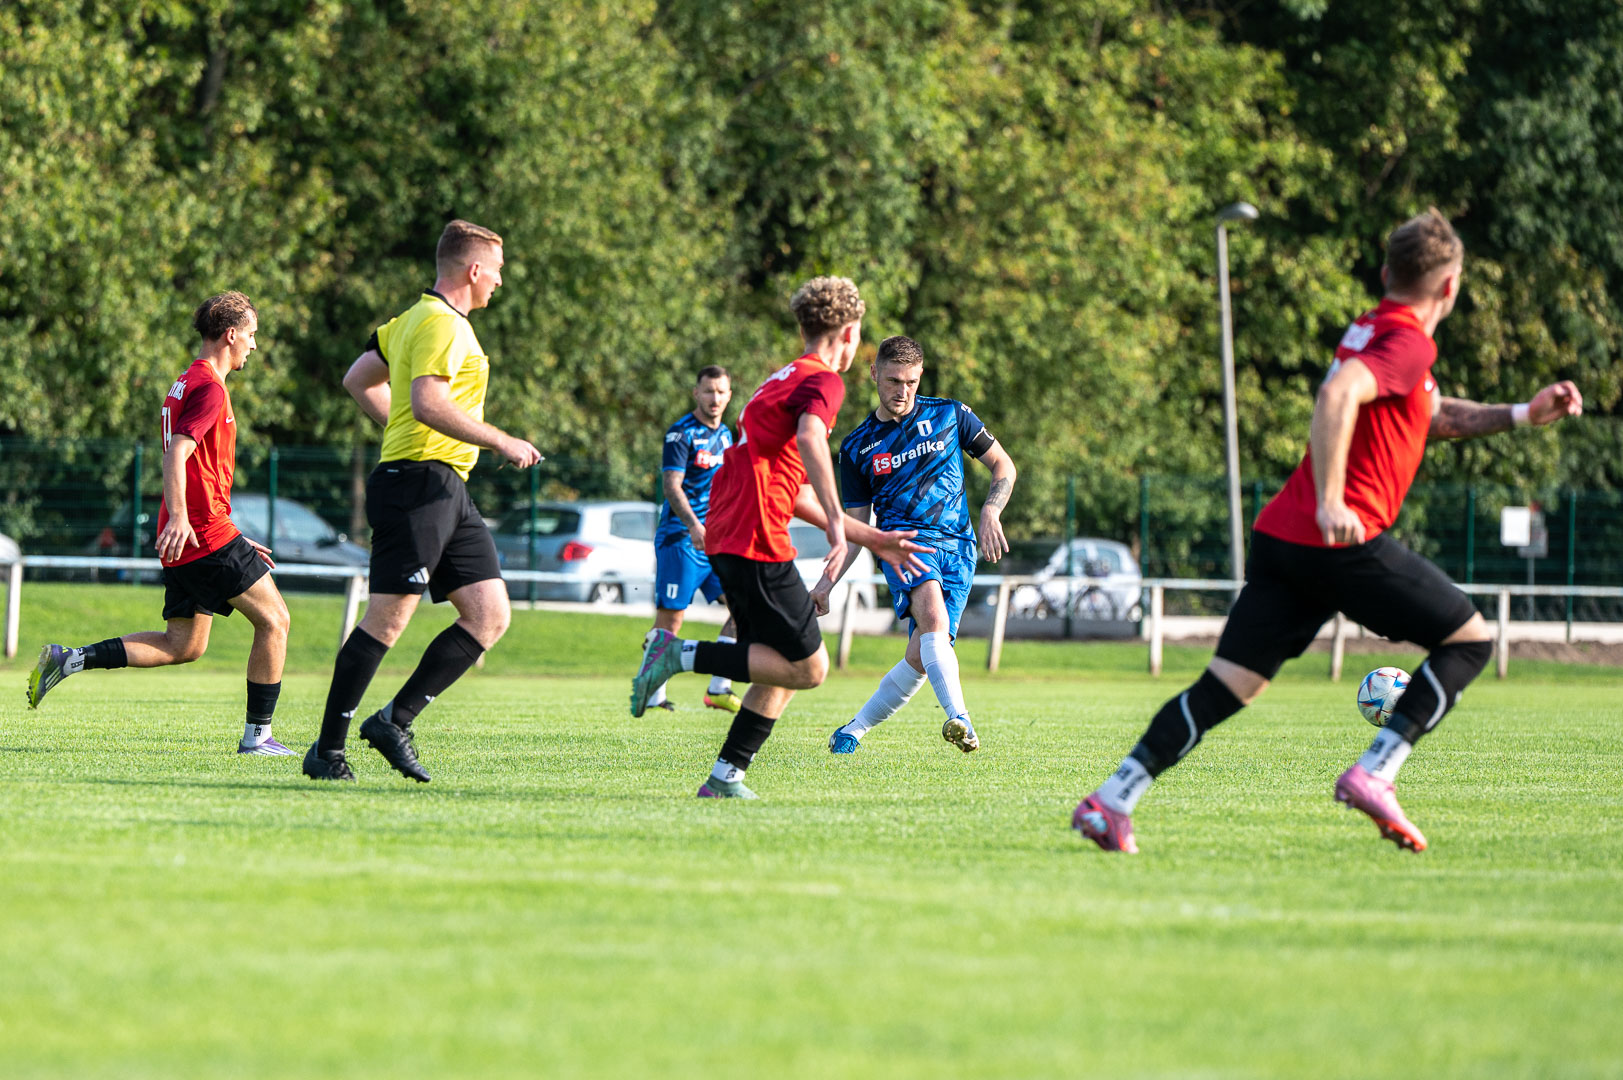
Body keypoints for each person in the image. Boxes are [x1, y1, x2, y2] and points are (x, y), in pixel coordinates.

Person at [1072, 209, 1584, 854]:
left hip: (1283, 540)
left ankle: (1111, 800)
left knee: (1226, 687)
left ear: (1386, 273)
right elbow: (1339, 395)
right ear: (1451, 287)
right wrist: (1332, 501)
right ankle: (1375, 773)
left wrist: (1522, 413)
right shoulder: (1409, 342)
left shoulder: (1374, 329)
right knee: (1469, 642)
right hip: (1337, 540)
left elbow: (1431, 414)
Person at [629, 276, 932, 798]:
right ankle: (675, 655)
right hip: (754, 537)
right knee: (810, 668)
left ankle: (725, 777)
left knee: (784, 663)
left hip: (731, 531)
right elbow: (811, 440)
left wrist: (869, 537)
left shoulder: (781, 380)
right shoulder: (823, 382)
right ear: (850, 333)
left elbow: (792, 491)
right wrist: (837, 521)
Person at [304, 219, 542, 783]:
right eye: (497, 272)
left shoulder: (409, 319)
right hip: (416, 486)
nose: (499, 283)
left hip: (445, 487)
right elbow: (428, 402)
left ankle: (393, 721)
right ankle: (327, 751)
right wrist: (500, 440)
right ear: (474, 270)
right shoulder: (441, 323)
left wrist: (403, 428)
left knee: (489, 615)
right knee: (387, 621)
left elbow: (359, 379)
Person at [28, 292, 295, 756]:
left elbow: (199, 470)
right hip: (201, 533)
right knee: (275, 621)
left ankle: (70, 659)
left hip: (196, 533)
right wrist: (189, 520)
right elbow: (177, 455)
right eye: (252, 335)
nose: (254, 345)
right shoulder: (211, 387)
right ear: (231, 334)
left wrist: (218, 528)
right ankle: (258, 738)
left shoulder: (184, 382)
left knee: (182, 645)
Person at [812, 335, 1017, 754]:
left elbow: (1003, 464)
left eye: (911, 382)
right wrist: (826, 582)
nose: (902, 391)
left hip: (959, 548)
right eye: (893, 381)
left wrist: (991, 510)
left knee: (923, 655)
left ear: (920, 376)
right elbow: (856, 528)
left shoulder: (951, 414)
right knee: (934, 621)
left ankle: (852, 731)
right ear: (874, 374)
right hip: (903, 545)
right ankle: (960, 719)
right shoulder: (857, 447)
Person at [643, 365, 745, 714]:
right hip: (681, 539)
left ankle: (718, 688)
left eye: (721, 391)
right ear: (696, 393)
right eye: (708, 391)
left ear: (729, 395)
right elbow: (672, 486)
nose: (715, 398)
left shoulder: (727, 435)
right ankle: (653, 693)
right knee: (671, 619)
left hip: (717, 542)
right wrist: (693, 526)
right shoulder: (681, 433)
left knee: (743, 607)